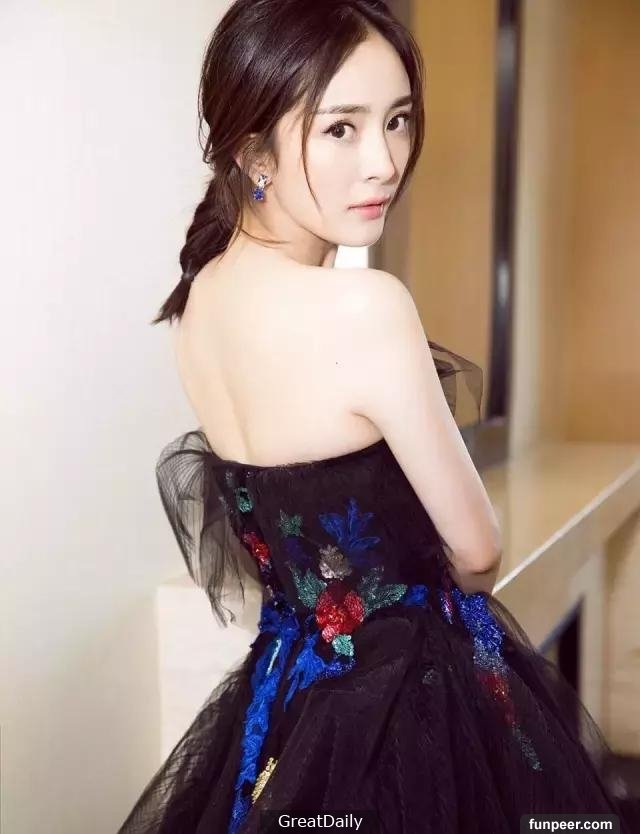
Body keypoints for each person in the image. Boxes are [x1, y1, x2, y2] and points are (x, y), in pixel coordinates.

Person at [117, 1, 637, 832]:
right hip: (402, 710)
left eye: (397, 120)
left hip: (285, 701)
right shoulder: (366, 307)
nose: (386, 161)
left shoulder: (200, 300)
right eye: (341, 129)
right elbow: (478, 551)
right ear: (253, 150)